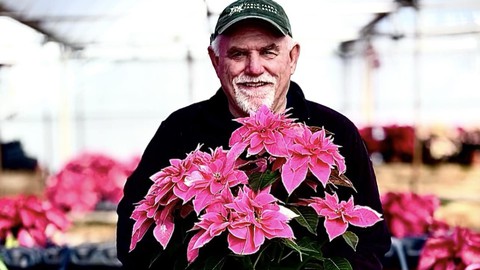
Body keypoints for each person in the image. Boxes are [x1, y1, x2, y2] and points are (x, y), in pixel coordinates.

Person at [116, 0, 391, 269]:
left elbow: (371, 244)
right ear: (215, 61)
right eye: (238, 54)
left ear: (292, 57)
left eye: (268, 52)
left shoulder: (336, 131)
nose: (254, 68)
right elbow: (131, 233)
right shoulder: (179, 130)